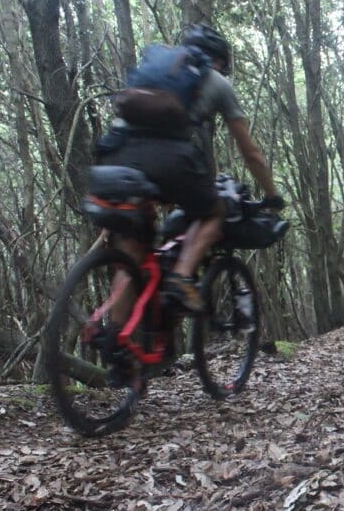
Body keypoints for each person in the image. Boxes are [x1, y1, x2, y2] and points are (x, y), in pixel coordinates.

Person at [97, 23, 284, 313]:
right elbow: (251, 152)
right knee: (215, 212)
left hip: (115, 154)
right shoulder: (217, 81)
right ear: (218, 60)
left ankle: (117, 346)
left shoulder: (157, 68)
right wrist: (272, 194)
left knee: (132, 256)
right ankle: (182, 276)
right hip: (168, 157)